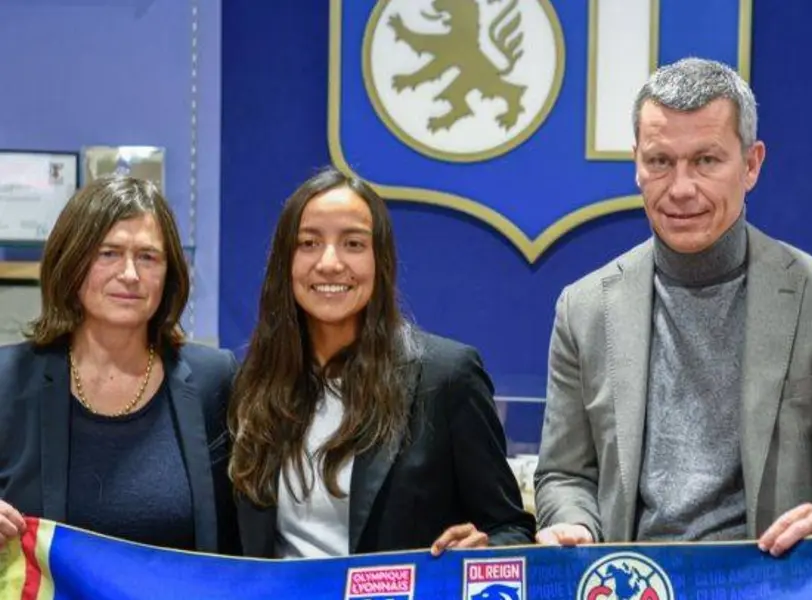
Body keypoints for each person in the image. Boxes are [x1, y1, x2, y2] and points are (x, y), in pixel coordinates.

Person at [534, 57, 812, 555]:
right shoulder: (584, 308)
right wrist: (575, 525)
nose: (681, 188)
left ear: (751, 165)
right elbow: (564, 473)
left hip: (771, 583)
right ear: (637, 164)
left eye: (706, 160)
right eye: (660, 161)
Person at [228, 168, 534, 558]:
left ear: (380, 261)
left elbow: (511, 528)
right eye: (308, 242)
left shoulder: (446, 377)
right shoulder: (253, 383)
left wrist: (483, 547)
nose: (330, 263)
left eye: (353, 244)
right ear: (284, 263)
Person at [0, 176, 239, 553]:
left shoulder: (216, 380)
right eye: (107, 253)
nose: (129, 274)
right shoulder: (7, 380)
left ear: (169, 273)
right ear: (72, 261)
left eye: (147, 257)